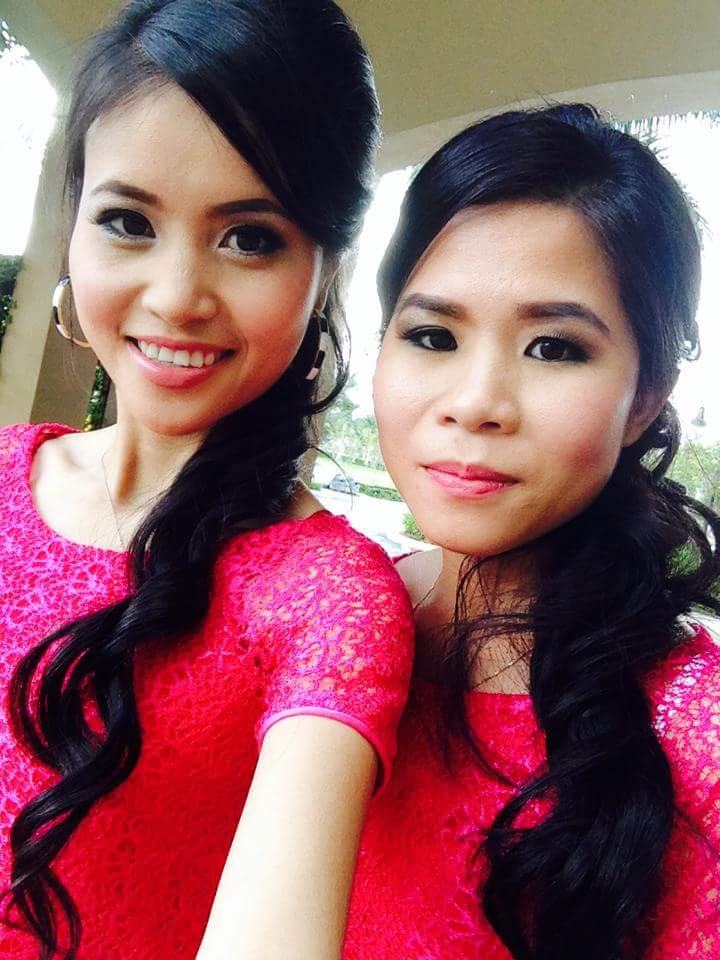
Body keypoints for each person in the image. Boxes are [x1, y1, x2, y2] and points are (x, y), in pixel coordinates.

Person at [0, 2, 415, 957]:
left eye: (249, 238)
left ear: (326, 266)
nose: (177, 296)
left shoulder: (330, 597)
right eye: (128, 222)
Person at [344, 104, 720, 960]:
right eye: (432, 335)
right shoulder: (319, 618)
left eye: (554, 348)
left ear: (647, 396)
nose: (476, 402)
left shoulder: (696, 728)